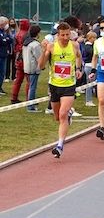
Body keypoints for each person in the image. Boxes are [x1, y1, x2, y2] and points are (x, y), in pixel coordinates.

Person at [38, 22, 83, 158]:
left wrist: (78, 69)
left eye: (67, 35)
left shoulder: (74, 45)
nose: (65, 37)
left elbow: (79, 57)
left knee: (63, 114)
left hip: (69, 86)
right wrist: (44, 51)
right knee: (58, 116)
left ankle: (59, 145)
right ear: (58, 35)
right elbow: (40, 66)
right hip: (54, 85)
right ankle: (67, 117)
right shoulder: (52, 47)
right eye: (62, 35)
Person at [23, 25, 42, 112]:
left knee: (30, 86)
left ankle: (32, 102)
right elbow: (39, 57)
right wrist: (42, 65)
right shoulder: (35, 44)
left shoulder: (26, 42)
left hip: (26, 67)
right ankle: (30, 106)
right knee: (32, 87)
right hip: (33, 68)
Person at [10, 19, 30, 104]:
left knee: (18, 80)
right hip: (25, 59)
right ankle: (29, 99)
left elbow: (14, 47)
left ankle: (14, 97)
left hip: (18, 58)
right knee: (29, 80)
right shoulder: (27, 35)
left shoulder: (17, 33)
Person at [82, 31, 97, 107]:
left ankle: (89, 100)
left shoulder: (88, 46)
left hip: (89, 65)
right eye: (94, 38)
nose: (95, 39)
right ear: (90, 38)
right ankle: (88, 100)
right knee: (90, 84)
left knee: (90, 84)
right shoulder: (88, 47)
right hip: (89, 66)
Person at [0, 16, 11, 95]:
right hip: (0, 55)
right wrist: (6, 39)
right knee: (1, 73)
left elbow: (10, 39)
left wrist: (6, 39)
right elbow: (3, 41)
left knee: (2, 73)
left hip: (4, 54)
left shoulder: (4, 31)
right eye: (6, 23)